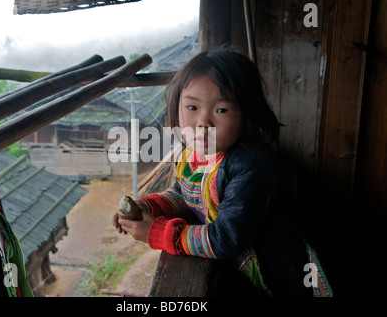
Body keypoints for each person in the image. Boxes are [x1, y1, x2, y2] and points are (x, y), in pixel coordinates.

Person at [112, 47, 333, 296]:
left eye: (221, 110)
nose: (203, 122)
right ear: (177, 106)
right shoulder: (194, 153)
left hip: (275, 274)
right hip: (238, 266)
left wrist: (159, 233)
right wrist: (151, 207)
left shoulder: (253, 166)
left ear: (246, 114)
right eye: (192, 108)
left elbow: (225, 238)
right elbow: (183, 192)